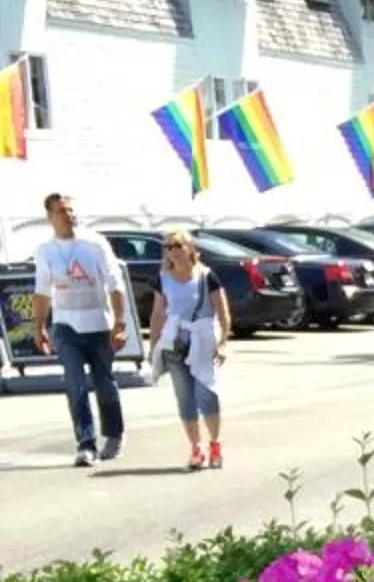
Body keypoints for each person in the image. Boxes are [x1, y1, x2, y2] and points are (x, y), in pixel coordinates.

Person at [33, 193, 130, 469]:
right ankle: (86, 443)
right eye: (62, 211)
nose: (69, 215)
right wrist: (38, 326)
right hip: (65, 326)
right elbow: (42, 291)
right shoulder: (45, 250)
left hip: (98, 324)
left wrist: (119, 323)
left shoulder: (94, 243)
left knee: (104, 383)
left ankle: (114, 434)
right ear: (50, 217)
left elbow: (115, 283)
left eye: (71, 210)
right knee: (75, 383)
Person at [145, 228, 231, 471]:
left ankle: (215, 444)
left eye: (177, 246)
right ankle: (196, 448)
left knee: (207, 393)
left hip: (202, 340)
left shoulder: (206, 276)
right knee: (185, 398)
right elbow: (158, 314)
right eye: (168, 247)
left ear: (190, 248)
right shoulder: (163, 278)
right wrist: (153, 346)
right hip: (175, 342)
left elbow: (222, 312)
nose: (172, 251)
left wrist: (223, 343)